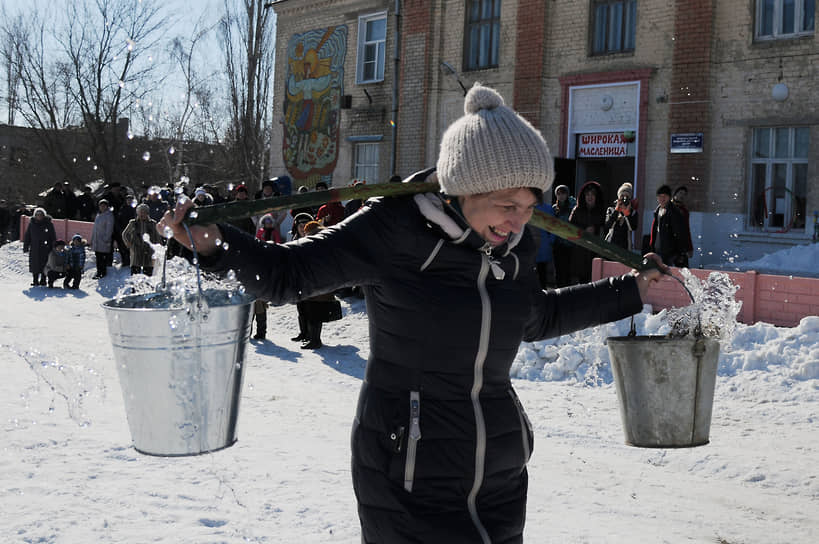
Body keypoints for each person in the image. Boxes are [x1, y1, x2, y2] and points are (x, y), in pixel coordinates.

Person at [159, 83, 665, 543]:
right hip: (409, 473)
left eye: (529, 205)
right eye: (506, 202)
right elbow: (290, 275)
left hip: (500, 476)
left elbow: (536, 317)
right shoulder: (395, 228)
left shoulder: (515, 246)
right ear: (465, 186)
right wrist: (215, 244)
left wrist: (633, 291)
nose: (519, 220)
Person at [568, 180, 605, 284]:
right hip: (580, 250)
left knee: (595, 280)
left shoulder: (601, 211)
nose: (590, 197)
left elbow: (605, 228)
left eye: (592, 195)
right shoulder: (577, 210)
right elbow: (570, 227)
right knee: (581, 281)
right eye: (587, 195)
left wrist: (596, 229)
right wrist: (584, 229)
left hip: (595, 250)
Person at [648, 184, 689, 267]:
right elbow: (655, 231)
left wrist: (681, 252)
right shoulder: (657, 211)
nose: (662, 198)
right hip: (657, 250)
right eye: (660, 196)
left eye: (665, 196)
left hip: (670, 253)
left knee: (667, 276)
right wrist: (651, 247)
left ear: (669, 197)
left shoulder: (675, 212)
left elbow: (680, 233)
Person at [122, 204, 160, 276]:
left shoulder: (153, 223)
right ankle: (135, 287)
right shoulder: (133, 223)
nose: (142, 214)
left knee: (148, 274)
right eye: (140, 212)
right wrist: (128, 243)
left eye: (144, 212)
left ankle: (147, 287)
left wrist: (157, 248)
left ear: (147, 213)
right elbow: (125, 234)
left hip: (148, 252)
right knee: (135, 274)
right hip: (136, 251)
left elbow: (157, 237)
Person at [23, 207, 56, 286]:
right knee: (34, 264)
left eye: (40, 215)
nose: (39, 216)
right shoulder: (32, 224)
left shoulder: (48, 224)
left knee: (44, 263)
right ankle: (35, 280)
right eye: (37, 215)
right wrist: (26, 246)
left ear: (43, 215)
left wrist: (53, 246)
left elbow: (52, 236)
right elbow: (28, 236)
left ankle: (43, 280)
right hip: (34, 247)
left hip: (45, 247)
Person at [551, 184, 576, 287]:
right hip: (557, 243)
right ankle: (559, 289)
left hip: (569, 242)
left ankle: (568, 290)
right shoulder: (554, 208)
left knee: (568, 269)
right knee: (558, 268)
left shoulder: (572, 207)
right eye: (559, 194)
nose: (561, 196)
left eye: (563, 193)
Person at [603, 182, 639, 251]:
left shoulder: (633, 212)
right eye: (622, 196)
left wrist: (627, 214)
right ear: (618, 197)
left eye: (627, 196)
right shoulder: (611, 210)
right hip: (611, 244)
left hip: (625, 247)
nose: (624, 199)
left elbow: (633, 227)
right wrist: (616, 211)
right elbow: (608, 225)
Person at [531, 201, 556, 289]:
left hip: (543, 242)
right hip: (530, 243)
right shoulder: (528, 206)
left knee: (542, 271)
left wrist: (551, 240)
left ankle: (542, 292)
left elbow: (553, 225)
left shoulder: (548, 208)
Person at [90, 199, 115, 279]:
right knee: (98, 257)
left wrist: (106, 238)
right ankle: (99, 272)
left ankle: (102, 273)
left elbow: (109, 228)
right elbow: (95, 229)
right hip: (97, 240)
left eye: (104, 206)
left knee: (103, 258)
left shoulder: (109, 215)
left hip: (103, 240)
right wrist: (92, 239)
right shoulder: (98, 215)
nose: (102, 207)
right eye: (101, 206)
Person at [672, 186, 694, 266]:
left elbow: (686, 230)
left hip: (680, 247)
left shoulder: (684, 211)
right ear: (675, 194)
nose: (682, 196)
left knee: (683, 271)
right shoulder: (666, 208)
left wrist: (690, 248)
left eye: (684, 195)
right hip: (667, 246)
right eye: (680, 193)